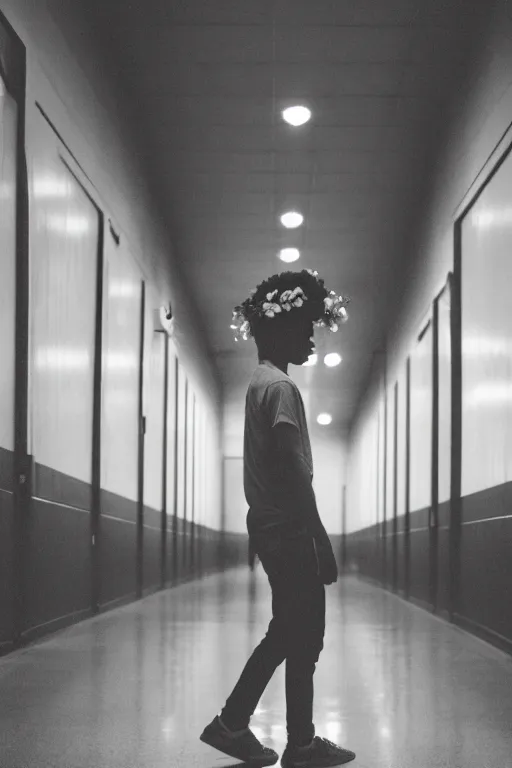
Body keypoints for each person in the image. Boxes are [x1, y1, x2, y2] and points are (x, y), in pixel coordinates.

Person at [200, 269, 355, 768]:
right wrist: (321, 538)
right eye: (304, 328)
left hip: (272, 527)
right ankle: (243, 726)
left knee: (296, 631)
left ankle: (289, 738)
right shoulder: (281, 388)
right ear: (278, 330)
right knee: (295, 631)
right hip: (288, 530)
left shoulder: (259, 383)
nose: (311, 338)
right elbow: (292, 470)